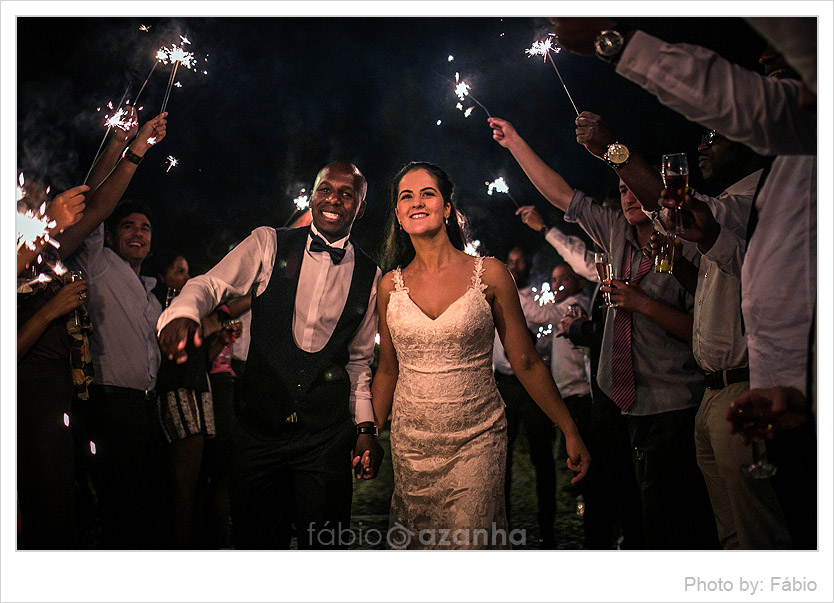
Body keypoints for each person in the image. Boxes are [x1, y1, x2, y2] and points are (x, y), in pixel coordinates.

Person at [549, 16, 817, 549]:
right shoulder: (762, 188)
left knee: (761, 538)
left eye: (715, 135)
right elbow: (719, 245)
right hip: (733, 393)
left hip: (718, 390)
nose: (765, 60)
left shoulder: (773, 180)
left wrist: (617, 145)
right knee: (729, 538)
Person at [489, 117, 716, 549]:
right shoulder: (615, 231)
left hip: (670, 404)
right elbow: (560, 194)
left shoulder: (695, 241)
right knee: (615, 510)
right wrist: (515, 141)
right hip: (611, 400)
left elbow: (702, 330)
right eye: (623, 189)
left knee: (668, 522)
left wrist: (642, 303)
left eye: (636, 186)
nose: (629, 195)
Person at [157, 161, 383, 550]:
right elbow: (211, 284)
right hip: (258, 431)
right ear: (312, 196)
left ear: (360, 207)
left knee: (325, 547)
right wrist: (182, 313)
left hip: (325, 438)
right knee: (256, 545)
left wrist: (365, 428)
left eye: (347, 194)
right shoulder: (268, 242)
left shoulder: (371, 275)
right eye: (325, 189)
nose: (333, 199)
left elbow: (359, 362)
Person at [371, 162, 590, 550]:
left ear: (448, 207)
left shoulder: (490, 274)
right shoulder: (389, 286)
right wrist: (367, 432)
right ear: (398, 215)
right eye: (406, 196)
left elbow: (526, 361)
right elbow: (388, 369)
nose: (417, 202)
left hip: (477, 439)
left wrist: (569, 429)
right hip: (412, 447)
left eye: (428, 194)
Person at [492, 247, 558, 548]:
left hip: (531, 383)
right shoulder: (489, 294)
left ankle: (548, 523)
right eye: (512, 261)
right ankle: (501, 523)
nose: (515, 266)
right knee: (500, 456)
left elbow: (545, 329)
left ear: (529, 265)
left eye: (521, 261)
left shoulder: (535, 299)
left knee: (541, 455)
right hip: (502, 383)